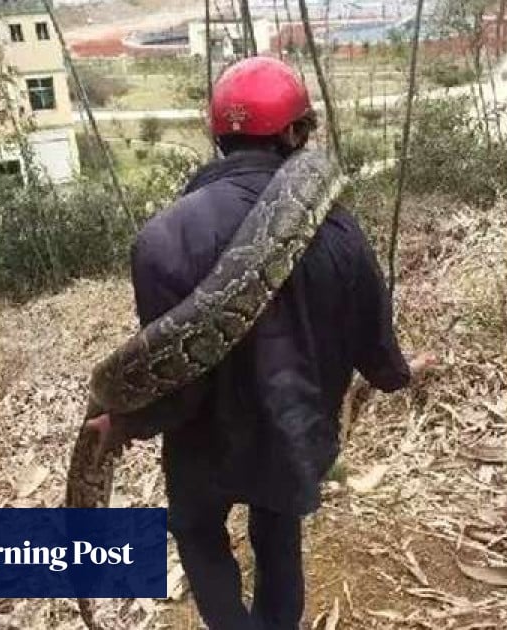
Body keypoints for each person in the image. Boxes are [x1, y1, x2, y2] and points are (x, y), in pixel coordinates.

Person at [84, 57, 429, 629]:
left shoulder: (162, 237)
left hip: (200, 446)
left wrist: (127, 423)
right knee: (277, 538)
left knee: (198, 534)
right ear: (295, 134)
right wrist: (402, 372)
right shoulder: (340, 231)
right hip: (292, 434)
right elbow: (374, 342)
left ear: (218, 136)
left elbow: (176, 379)